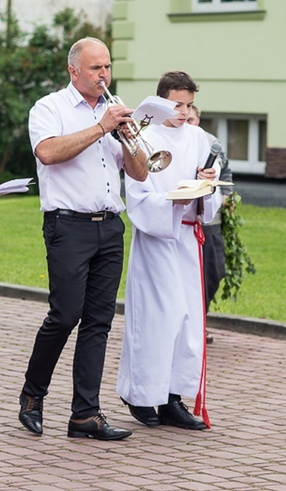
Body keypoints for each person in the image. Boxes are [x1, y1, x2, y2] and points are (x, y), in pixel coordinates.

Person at [19, 37, 148, 441]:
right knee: (64, 315)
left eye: (107, 67)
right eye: (96, 68)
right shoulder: (49, 108)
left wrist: (128, 138)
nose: (104, 75)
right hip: (68, 225)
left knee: (99, 322)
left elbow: (142, 173)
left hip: (110, 225)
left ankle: (85, 415)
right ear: (74, 70)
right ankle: (32, 395)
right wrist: (101, 127)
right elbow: (48, 153)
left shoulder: (114, 112)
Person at [117, 71, 221, 431]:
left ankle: (174, 397)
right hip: (158, 237)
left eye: (189, 105)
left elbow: (211, 191)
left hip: (189, 240)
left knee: (187, 320)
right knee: (158, 317)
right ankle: (142, 395)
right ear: (161, 101)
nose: (183, 111)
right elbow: (139, 196)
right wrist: (172, 201)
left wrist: (206, 187)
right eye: (177, 104)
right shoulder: (143, 138)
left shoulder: (197, 138)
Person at [187, 104, 233, 345]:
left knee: (213, 273)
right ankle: (193, 326)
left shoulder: (211, 142)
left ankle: (200, 319)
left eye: (192, 119)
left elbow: (226, 175)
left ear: (199, 119)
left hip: (211, 222)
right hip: (183, 222)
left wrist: (226, 197)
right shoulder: (175, 143)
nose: (188, 123)